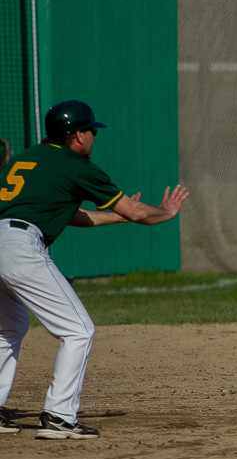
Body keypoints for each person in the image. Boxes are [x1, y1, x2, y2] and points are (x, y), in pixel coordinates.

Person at [0, 100, 189, 439]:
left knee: (9, 326)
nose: (93, 137)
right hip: (19, 247)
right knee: (78, 330)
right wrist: (165, 213)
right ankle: (59, 417)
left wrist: (116, 216)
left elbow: (66, 212)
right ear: (76, 137)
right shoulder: (77, 166)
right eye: (91, 131)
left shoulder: (29, 157)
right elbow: (136, 211)